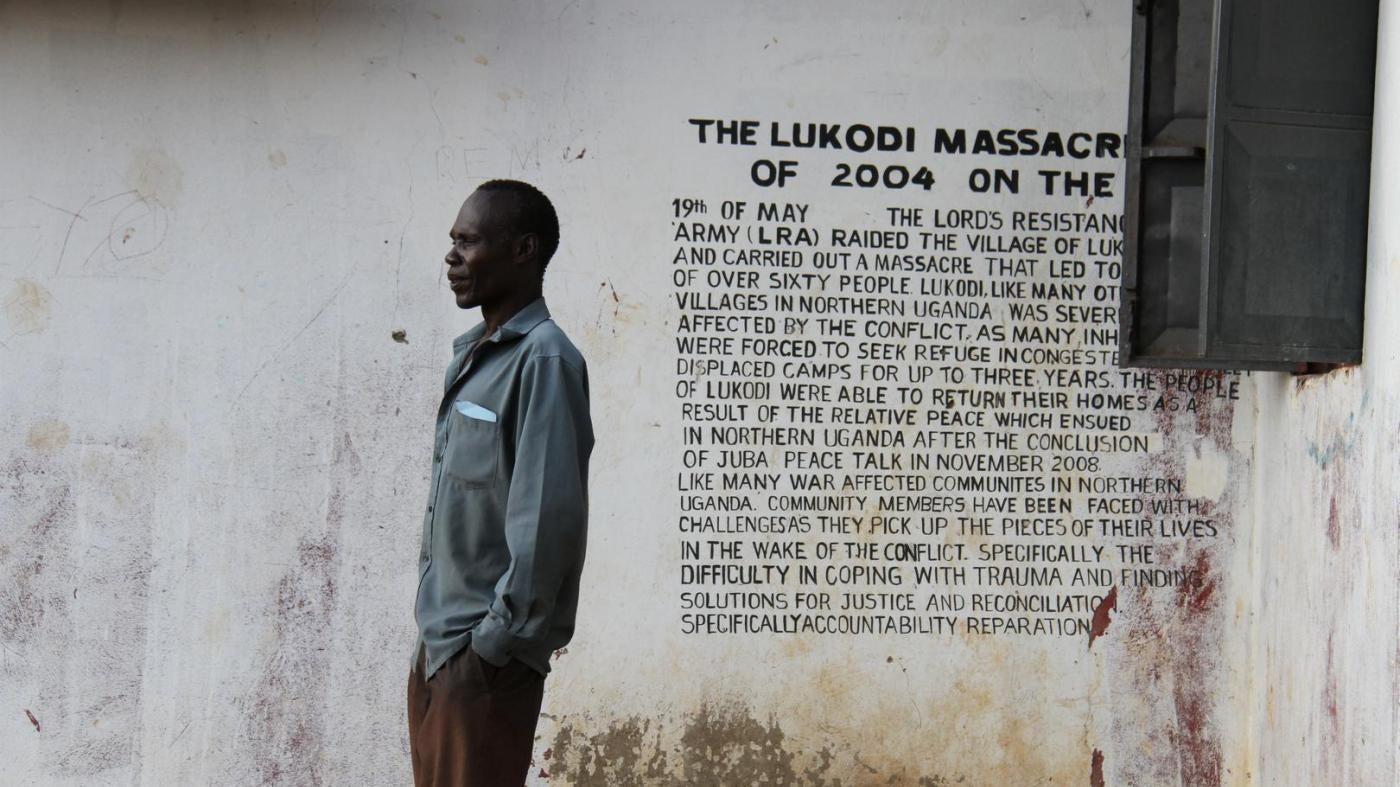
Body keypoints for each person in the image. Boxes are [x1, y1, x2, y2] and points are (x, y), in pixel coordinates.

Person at [407, 180, 593, 786]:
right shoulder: (475, 356)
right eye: (452, 242)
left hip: (481, 661)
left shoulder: (545, 360)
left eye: (469, 241)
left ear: (523, 250)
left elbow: (545, 525)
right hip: (441, 648)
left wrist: (489, 649)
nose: (452, 257)